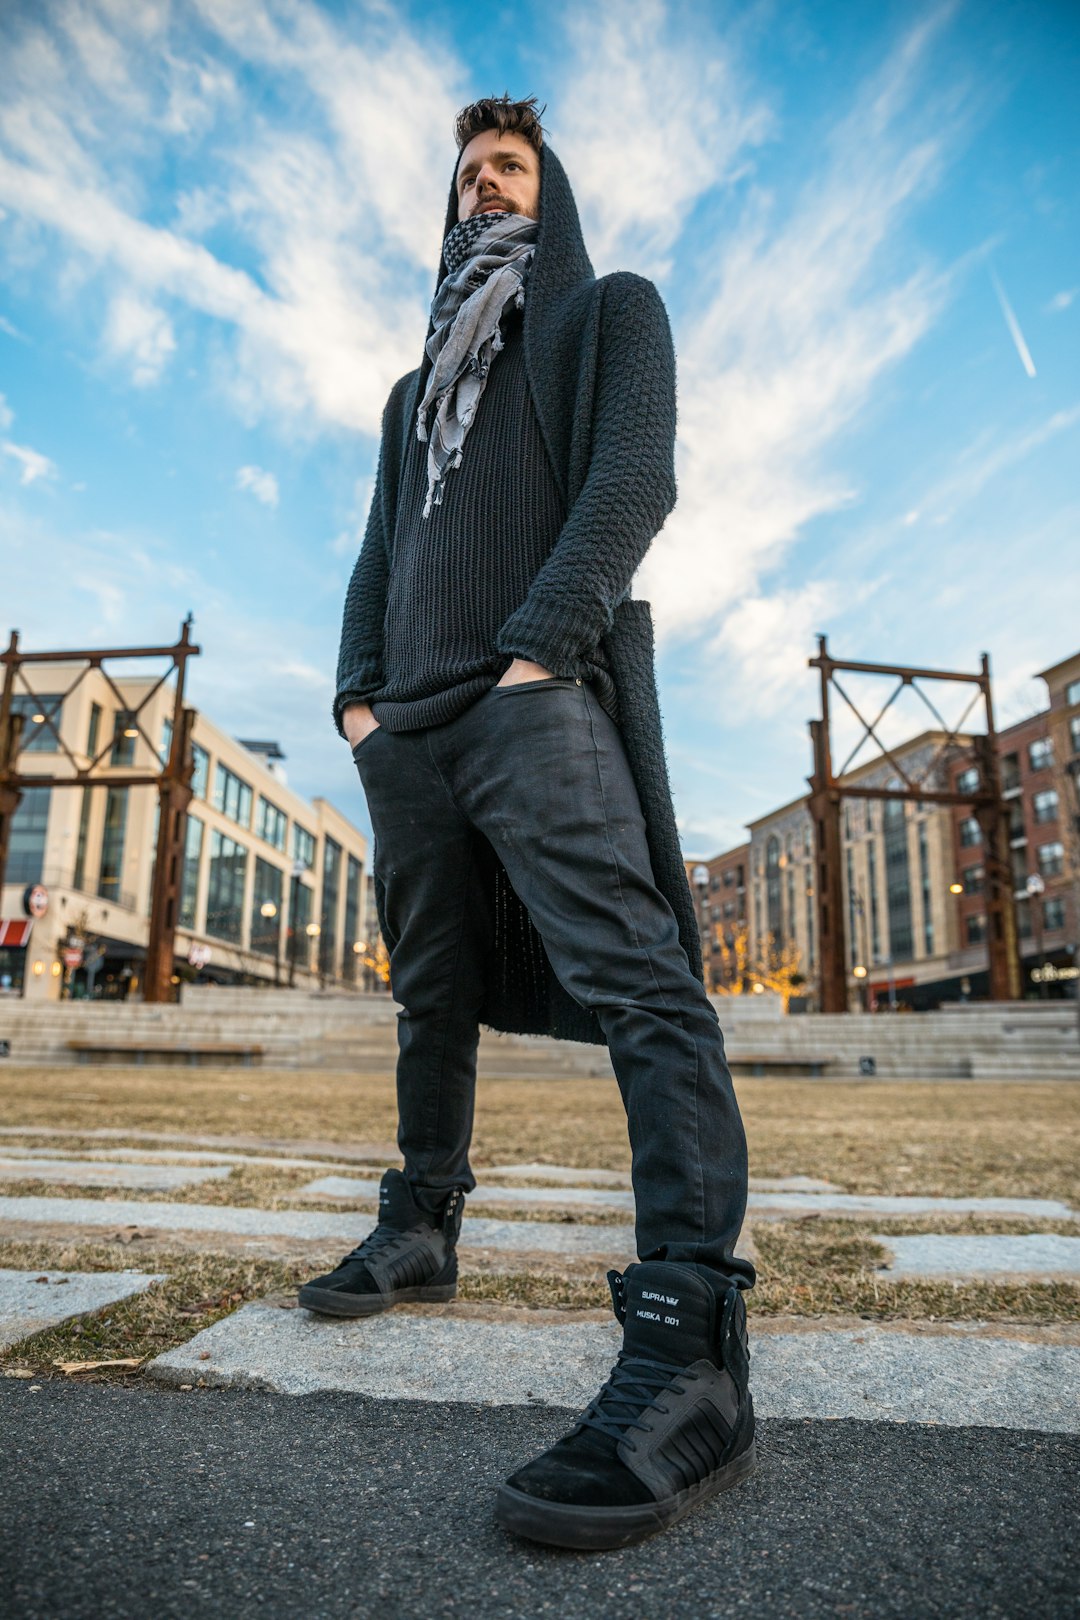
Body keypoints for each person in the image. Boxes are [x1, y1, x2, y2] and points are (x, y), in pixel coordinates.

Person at [301, 95, 757, 1550]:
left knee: (640, 976)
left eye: (507, 170)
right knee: (426, 991)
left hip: (530, 689)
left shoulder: (607, 313)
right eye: (465, 179)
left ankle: (691, 1344)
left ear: (548, 199)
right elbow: (386, 548)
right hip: (411, 723)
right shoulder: (408, 392)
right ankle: (422, 1224)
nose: (482, 190)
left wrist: (537, 653)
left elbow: (634, 482)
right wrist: (354, 703)